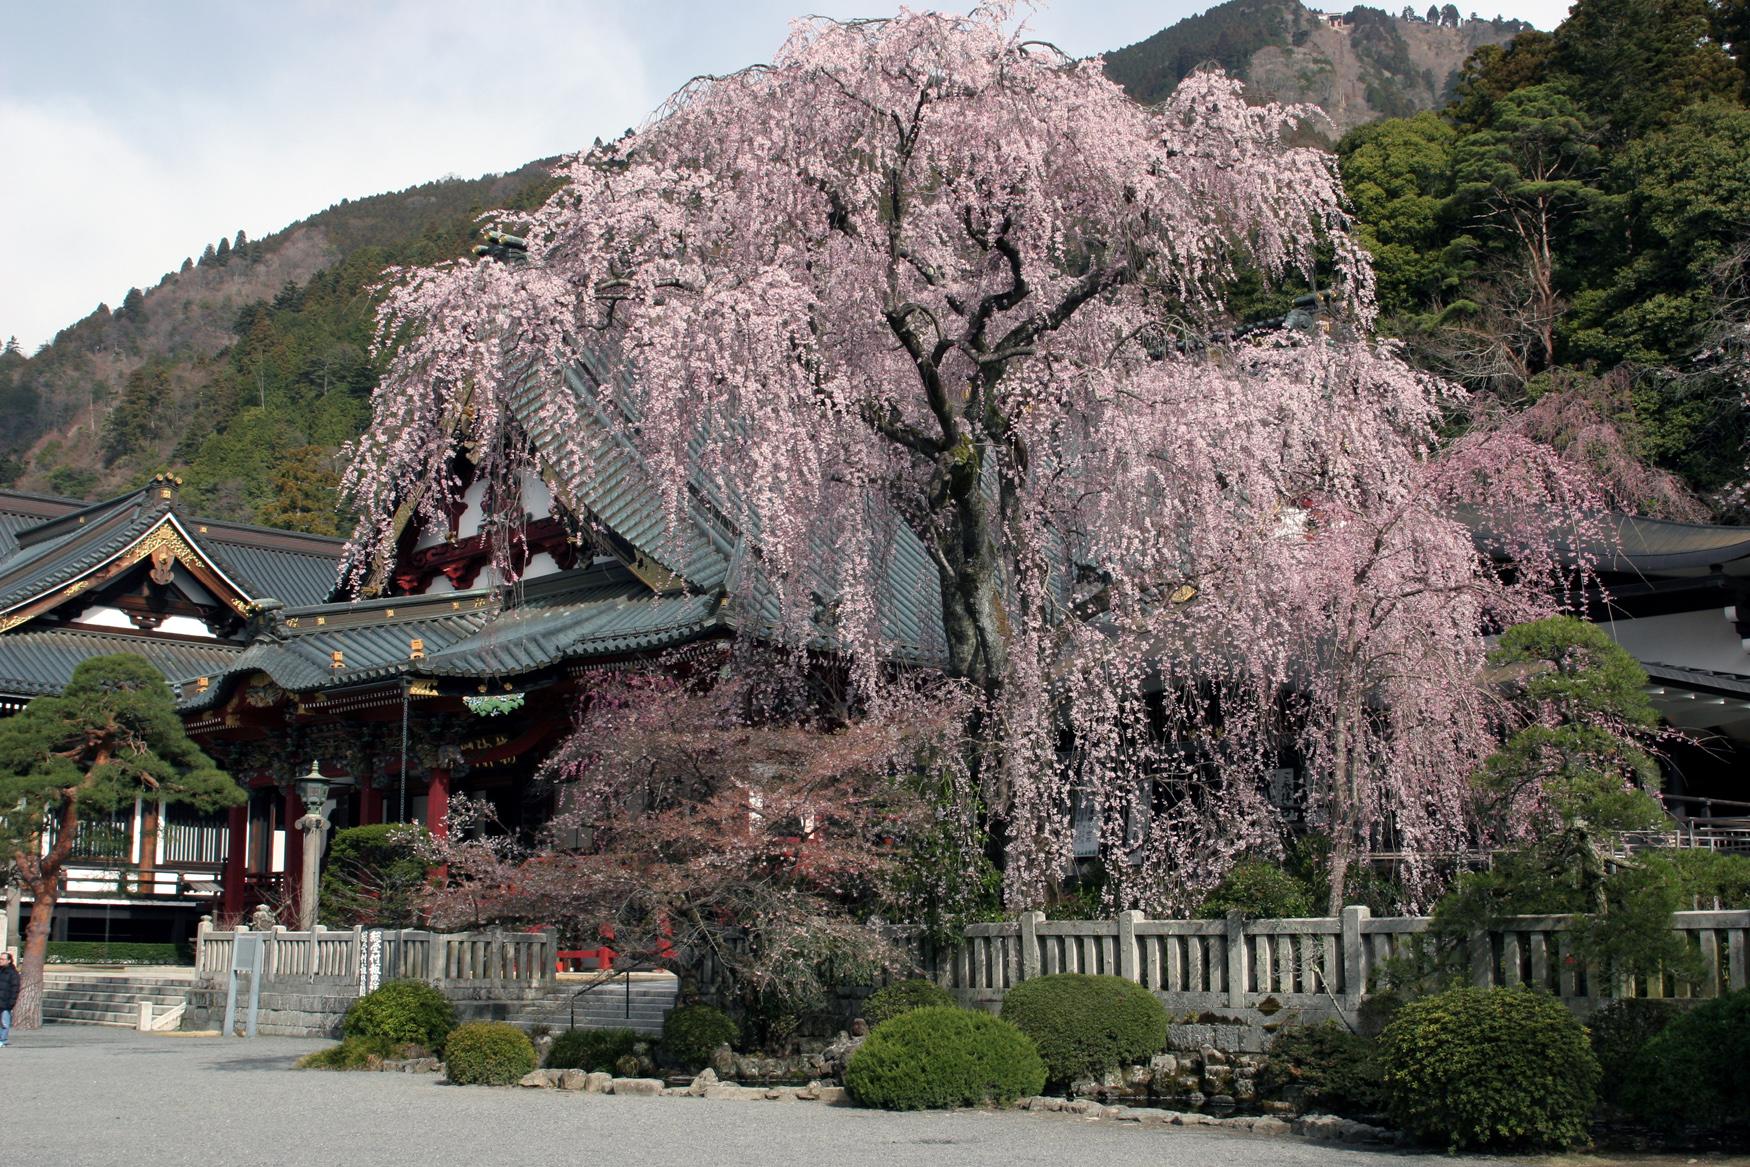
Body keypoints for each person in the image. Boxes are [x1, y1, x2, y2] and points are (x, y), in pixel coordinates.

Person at [0, 950, 17, 1046]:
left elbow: (15, 989)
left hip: (6, 1002)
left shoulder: (12, 973)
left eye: (3, 959)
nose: (0, 960)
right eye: (0, 958)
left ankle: (3, 1040)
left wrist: (11, 1002)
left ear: (9, 960)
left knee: (4, 1023)